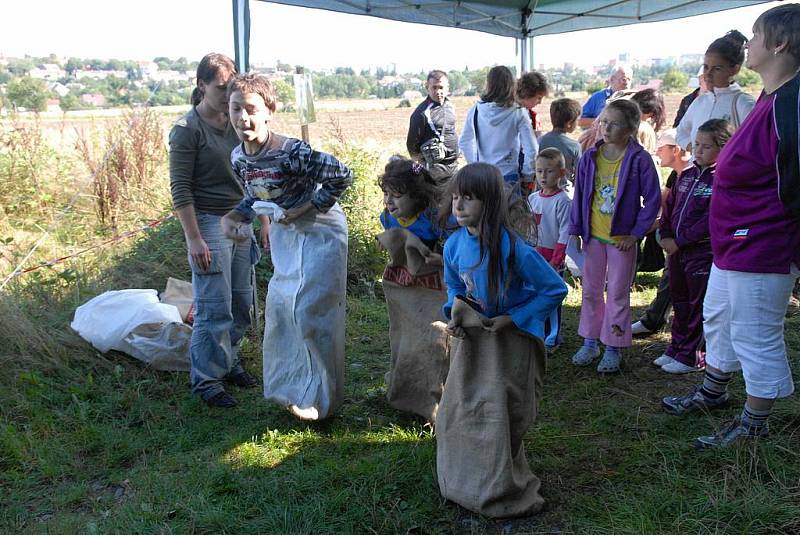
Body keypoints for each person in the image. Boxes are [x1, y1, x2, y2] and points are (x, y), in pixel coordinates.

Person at [662, 4, 800, 448]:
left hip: (763, 245)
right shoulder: (771, 96)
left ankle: (754, 424)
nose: (749, 43)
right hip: (734, 244)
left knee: (754, 331)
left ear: (779, 44)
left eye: (757, 35)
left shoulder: (792, 106)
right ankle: (713, 391)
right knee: (719, 316)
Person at [437, 162, 567, 516]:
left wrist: (514, 319)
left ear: (490, 203)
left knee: (506, 410)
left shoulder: (513, 249)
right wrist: (454, 310)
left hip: (513, 341)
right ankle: (467, 479)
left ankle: (502, 481)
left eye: (469, 199)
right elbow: (452, 283)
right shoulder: (453, 245)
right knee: (468, 406)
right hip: (475, 339)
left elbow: (554, 289)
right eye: (455, 198)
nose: (459, 206)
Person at [220, 73, 353, 421]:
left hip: (321, 230)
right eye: (236, 109)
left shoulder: (292, 152)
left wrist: (304, 208)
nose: (243, 118)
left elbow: (342, 173)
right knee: (281, 311)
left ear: (269, 112)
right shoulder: (238, 158)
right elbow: (256, 195)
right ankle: (293, 388)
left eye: (251, 109)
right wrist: (235, 217)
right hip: (287, 233)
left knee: (310, 312)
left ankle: (323, 400)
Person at [169, 53, 262, 408]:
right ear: (201, 86)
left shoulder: (237, 122)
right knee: (213, 306)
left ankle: (229, 361)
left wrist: (263, 221)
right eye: (222, 88)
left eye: (232, 88)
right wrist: (194, 238)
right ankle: (207, 380)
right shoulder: (187, 130)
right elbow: (180, 189)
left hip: (241, 218)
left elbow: (254, 172)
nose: (228, 96)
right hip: (207, 221)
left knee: (242, 302)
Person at [569, 99, 661, 373]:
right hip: (594, 238)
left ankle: (614, 345)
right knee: (591, 291)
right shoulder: (589, 157)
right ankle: (589, 342)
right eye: (603, 122)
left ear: (631, 128)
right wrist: (576, 230)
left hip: (621, 241)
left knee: (618, 293)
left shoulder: (639, 159)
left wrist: (635, 234)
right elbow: (580, 198)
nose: (606, 128)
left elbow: (653, 200)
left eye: (614, 124)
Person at [657, 119, 734, 374]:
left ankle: (694, 355)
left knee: (697, 304)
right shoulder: (686, 175)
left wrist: (680, 241)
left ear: (724, 148)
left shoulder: (722, 180)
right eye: (697, 145)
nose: (699, 150)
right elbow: (669, 208)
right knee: (679, 301)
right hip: (676, 251)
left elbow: (711, 219)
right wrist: (665, 234)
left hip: (700, 252)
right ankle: (677, 347)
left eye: (707, 146)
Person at [632, 129, 693, 336]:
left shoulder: (692, 175)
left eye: (660, 148)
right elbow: (665, 206)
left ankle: (656, 322)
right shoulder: (677, 175)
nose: (656, 153)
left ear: (675, 150)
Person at [675, 30, 756, 151]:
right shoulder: (700, 102)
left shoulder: (744, 104)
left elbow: (754, 144)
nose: (708, 74)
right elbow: (681, 132)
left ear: (735, 69)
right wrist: (695, 150)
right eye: (706, 67)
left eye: (717, 69)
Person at [459, 66, 538, 185]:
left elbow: (465, 142)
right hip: (509, 176)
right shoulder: (518, 112)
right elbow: (531, 149)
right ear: (512, 85)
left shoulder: (475, 110)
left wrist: (475, 164)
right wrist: (528, 175)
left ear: (489, 84)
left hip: (483, 177)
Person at [528, 148, 571, 350]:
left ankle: (553, 336)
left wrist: (556, 259)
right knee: (535, 294)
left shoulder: (562, 201)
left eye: (549, 171)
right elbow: (528, 228)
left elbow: (565, 233)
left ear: (561, 173)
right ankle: (537, 331)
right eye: (539, 171)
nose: (543, 176)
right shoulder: (533, 199)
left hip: (553, 259)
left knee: (552, 296)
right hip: (535, 257)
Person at [379, 156, 451, 250]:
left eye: (396, 195)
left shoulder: (434, 219)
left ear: (416, 196)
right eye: (386, 193)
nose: (388, 201)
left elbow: (451, 249)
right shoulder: (387, 219)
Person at [406, 70, 458, 184]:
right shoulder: (421, 113)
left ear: (447, 88)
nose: (438, 91)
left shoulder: (450, 107)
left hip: (454, 169)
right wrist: (421, 172)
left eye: (441, 87)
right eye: (434, 87)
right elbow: (411, 146)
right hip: (434, 174)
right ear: (427, 87)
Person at [538, 97, 582, 191]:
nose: (577, 123)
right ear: (569, 123)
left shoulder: (539, 141)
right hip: (563, 193)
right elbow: (580, 175)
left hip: (541, 193)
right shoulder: (574, 146)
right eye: (577, 120)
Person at [578, 64, 632, 128]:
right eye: (624, 79)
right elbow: (580, 121)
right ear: (612, 79)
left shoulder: (634, 99)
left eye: (629, 79)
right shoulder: (598, 97)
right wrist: (603, 122)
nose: (627, 83)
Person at [516, 70, 550, 139]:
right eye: (539, 98)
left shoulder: (531, 115)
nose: (540, 102)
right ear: (528, 93)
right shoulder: (512, 113)